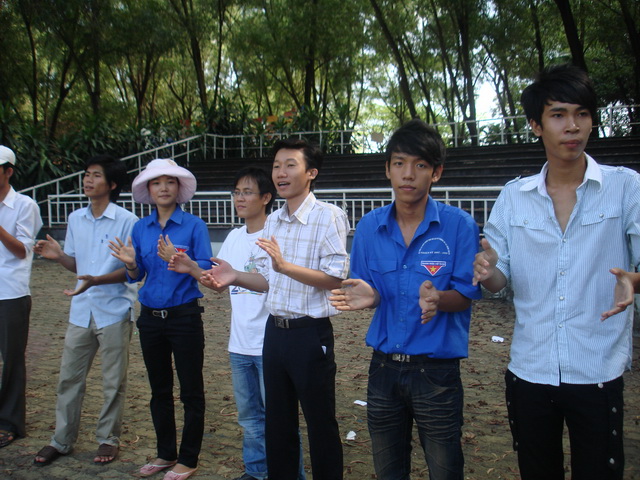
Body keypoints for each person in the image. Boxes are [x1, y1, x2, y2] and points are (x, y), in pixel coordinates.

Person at [473, 64, 640, 480]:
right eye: (559, 115)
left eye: (582, 114)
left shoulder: (625, 187)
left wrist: (635, 280)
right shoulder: (515, 196)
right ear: (536, 125)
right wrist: (487, 270)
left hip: (597, 368)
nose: (573, 126)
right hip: (530, 369)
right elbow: (499, 278)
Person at [329, 119, 481, 480]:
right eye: (399, 163)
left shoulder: (459, 226)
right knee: (388, 471)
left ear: (436, 172)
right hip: (383, 370)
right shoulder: (370, 227)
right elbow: (368, 290)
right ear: (388, 169)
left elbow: (465, 296)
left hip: (437, 373)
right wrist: (371, 297)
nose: (408, 174)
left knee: (445, 469)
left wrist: (438, 299)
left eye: (420, 164)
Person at [200, 138, 350, 480]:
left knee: (320, 423)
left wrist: (285, 267)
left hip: (309, 334)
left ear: (311, 173)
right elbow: (268, 280)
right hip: (275, 333)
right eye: (277, 166)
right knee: (278, 423)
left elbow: (334, 278)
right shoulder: (275, 221)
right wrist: (234, 275)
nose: (281, 173)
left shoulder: (328, 216)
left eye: (290, 165)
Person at [170, 166, 306, 480]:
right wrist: (192, 268)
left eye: (247, 192)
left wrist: (233, 276)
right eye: (236, 192)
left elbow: (278, 283)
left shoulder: (276, 236)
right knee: (250, 418)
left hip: (271, 344)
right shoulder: (233, 236)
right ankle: (256, 472)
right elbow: (220, 283)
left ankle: (290, 475)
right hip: (239, 344)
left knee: (280, 419)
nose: (239, 198)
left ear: (266, 197)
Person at [110, 158, 212, 480]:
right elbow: (137, 274)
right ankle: (166, 453)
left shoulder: (194, 226)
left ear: (179, 188)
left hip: (184, 317)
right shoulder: (140, 228)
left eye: (170, 182)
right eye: (156, 182)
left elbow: (207, 270)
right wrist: (130, 264)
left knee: (191, 391)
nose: (163, 188)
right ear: (149, 190)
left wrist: (184, 261)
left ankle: (189, 458)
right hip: (150, 319)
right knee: (159, 390)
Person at [32, 155, 136, 466]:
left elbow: (132, 270)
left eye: (96, 175)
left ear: (112, 184)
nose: (88, 180)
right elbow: (78, 265)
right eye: (86, 174)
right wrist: (59, 256)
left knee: (113, 381)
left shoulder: (127, 221)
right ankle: (61, 440)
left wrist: (97, 280)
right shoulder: (76, 218)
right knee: (69, 378)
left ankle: (108, 439)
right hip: (81, 310)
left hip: (114, 309)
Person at [0, 146, 42, 449]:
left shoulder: (24, 205)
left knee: (12, 359)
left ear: (8, 171)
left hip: (10, 292)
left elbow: (22, 250)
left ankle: (10, 422)